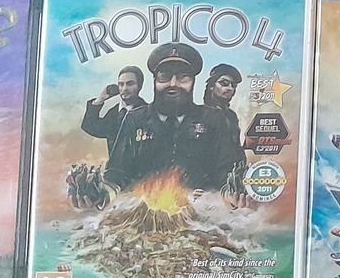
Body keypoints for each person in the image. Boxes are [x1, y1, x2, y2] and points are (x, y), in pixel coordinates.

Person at [104, 43, 239, 193]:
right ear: (154, 81)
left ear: (193, 82)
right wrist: (102, 195)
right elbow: (116, 174)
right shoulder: (134, 119)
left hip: (203, 206)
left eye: (183, 77)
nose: (173, 84)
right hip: (142, 205)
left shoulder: (213, 119)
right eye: (164, 76)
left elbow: (227, 174)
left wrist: (227, 196)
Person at [203, 63, 247, 184]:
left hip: (232, 181)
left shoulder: (231, 116)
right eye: (224, 83)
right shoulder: (200, 114)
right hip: (208, 182)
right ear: (211, 86)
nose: (230, 88)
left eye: (233, 86)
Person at [81, 65, 146, 144]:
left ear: (140, 86)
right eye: (121, 84)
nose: (124, 88)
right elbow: (89, 126)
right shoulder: (113, 113)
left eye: (130, 84)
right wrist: (100, 99)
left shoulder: (148, 113)